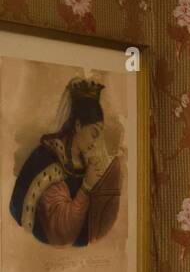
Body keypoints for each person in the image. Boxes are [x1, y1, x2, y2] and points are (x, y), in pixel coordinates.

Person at [9, 77, 121, 246]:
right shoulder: (45, 159)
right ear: (78, 125)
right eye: (94, 133)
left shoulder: (86, 164)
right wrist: (86, 187)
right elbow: (62, 230)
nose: (96, 142)